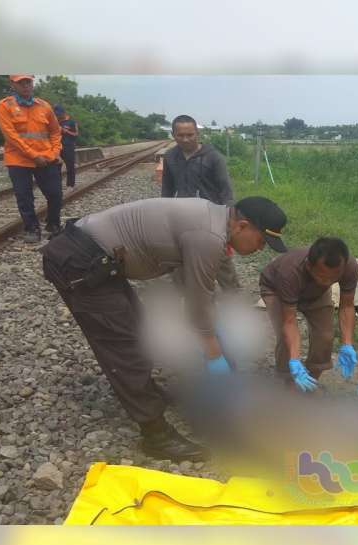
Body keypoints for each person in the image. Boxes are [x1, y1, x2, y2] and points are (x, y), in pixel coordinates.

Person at [39, 195, 288, 461]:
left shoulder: (213, 221)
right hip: (80, 261)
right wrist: (215, 356)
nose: (261, 249)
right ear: (242, 225)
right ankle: (155, 434)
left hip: (100, 260)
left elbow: (197, 290)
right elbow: (197, 304)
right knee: (123, 349)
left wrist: (215, 333)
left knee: (137, 331)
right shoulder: (208, 236)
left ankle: (149, 392)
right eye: (261, 241)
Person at [259, 237, 358, 392]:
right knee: (286, 340)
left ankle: (310, 380)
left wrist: (347, 343)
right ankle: (288, 380)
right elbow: (290, 321)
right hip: (276, 289)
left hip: (315, 293)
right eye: (322, 276)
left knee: (325, 336)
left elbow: (347, 306)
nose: (328, 282)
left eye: (334, 278)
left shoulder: (349, 266)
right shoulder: (290, 271)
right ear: (308, 266)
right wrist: (294, 359)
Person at [161, 115, 239, 292]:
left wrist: (228, 222)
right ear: (173, 135)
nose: (186, 139)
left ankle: (233, 295)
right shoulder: (170, 157)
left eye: (190, 134)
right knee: (178, 257)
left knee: (221, 259)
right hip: (181, 217)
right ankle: (184, 296)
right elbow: (166, 190)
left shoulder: (214, 158)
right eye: (180, 135)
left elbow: (226, 192)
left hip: (211, 218)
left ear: (197, 133)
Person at [0, 74, 63, 243]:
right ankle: (31, 228)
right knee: (24, 197)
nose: (25, 85)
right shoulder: (4, 106)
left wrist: (55, 152)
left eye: (28, 82)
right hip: (18, 160)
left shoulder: (44, 106)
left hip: (46, 158)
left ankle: (53, 224)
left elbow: (55, 131)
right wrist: (34, 155)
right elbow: (11, 136)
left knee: (55, 194)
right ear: (12, 84)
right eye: (21, 83)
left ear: (32, 83)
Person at [54, 104, 78, 188]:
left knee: (70, 167)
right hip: (57, 147)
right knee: (56, 167)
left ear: (63, 113)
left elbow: (76, 134)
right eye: (56, 114)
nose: (58, 115)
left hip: (68, 147)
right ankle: (57, 185)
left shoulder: (72, 122)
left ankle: (71, 185)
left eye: (59, 114)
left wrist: (66, 131)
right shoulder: (55, 121)